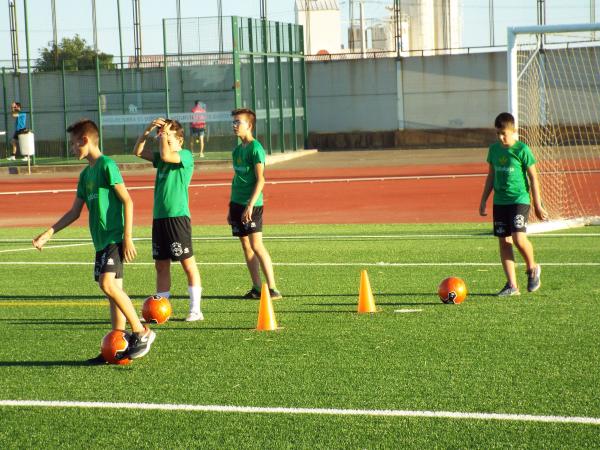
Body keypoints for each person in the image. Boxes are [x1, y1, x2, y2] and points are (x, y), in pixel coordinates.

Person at [32, 119, 155, 362]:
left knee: (107, 285)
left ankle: (142, 332)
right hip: (101, 243)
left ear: (85, 140)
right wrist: (48, 233)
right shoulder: (85, 174)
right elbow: (74, 212)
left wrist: (127, 237)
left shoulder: (106, 165)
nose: (71, 149)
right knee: (112, 293)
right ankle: (116, 347)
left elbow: (127, 201)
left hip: (113, 238)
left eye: (73, 144)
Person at [134, 118, 204, 321]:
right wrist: (147, 130)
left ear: (180, 140)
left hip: (177, 218)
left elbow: (166, 154)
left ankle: (195, 309)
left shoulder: (185, 155)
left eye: (168, 136)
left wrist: (163, 135)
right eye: (162, 135)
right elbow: (137, 152)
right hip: (160, 218)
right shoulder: (162, 158)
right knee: (161, 265)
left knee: (187, 263)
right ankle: (161, 309)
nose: (162, 138)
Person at [479, 112, 548, 296]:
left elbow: (533, 178)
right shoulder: (493, 150)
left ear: (514, 131)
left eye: (504, 133)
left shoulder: (522, 150)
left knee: (518, 238)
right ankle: (512, 286)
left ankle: (532, 268)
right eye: (498, 134)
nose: (501, 137)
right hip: (500, 202)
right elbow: (491, 176)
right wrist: (484, 200)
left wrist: (538, 205)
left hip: (519, 200)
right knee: (504, 242)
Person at [228, 108, 282, 300]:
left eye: (238, 122)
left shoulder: (255, 148)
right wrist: (231, 207)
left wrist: (250, 205)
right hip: (236, 203)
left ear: (249, 126)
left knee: (257, 245)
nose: (234, 126)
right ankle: (257, 287)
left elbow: (261, 180)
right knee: (245, 245)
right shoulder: (236, 150)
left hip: (252, 204)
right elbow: (237, 179)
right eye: (233, 122)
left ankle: (273, 288)